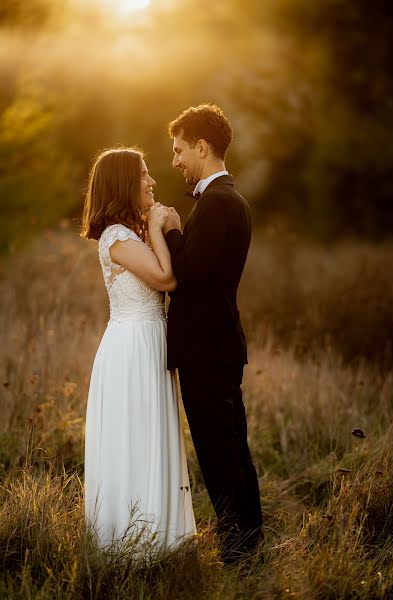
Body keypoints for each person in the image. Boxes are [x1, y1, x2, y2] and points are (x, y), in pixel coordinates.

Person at [81, 147, 196, 554]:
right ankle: (130, 544)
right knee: (133, 437)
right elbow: (166, 279)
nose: (152, 181)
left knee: (152, 435)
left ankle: (159, 538)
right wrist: (161, 225)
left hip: (149, 343)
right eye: (144, 175)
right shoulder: (116, 237)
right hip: (131, 348)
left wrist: (155, 228)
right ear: (123, 184)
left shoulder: (133, 234)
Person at [162, 104, 263, 563]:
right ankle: (248, 545)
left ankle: (238, 552)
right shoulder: (227, 199)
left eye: (180, 150)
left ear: (202, 147)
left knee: (220, 454)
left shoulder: (219, 202)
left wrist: (174, 231)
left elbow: (189, 274)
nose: (176, 160)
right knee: (232, 449)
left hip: (208, 349)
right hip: (216, 346)